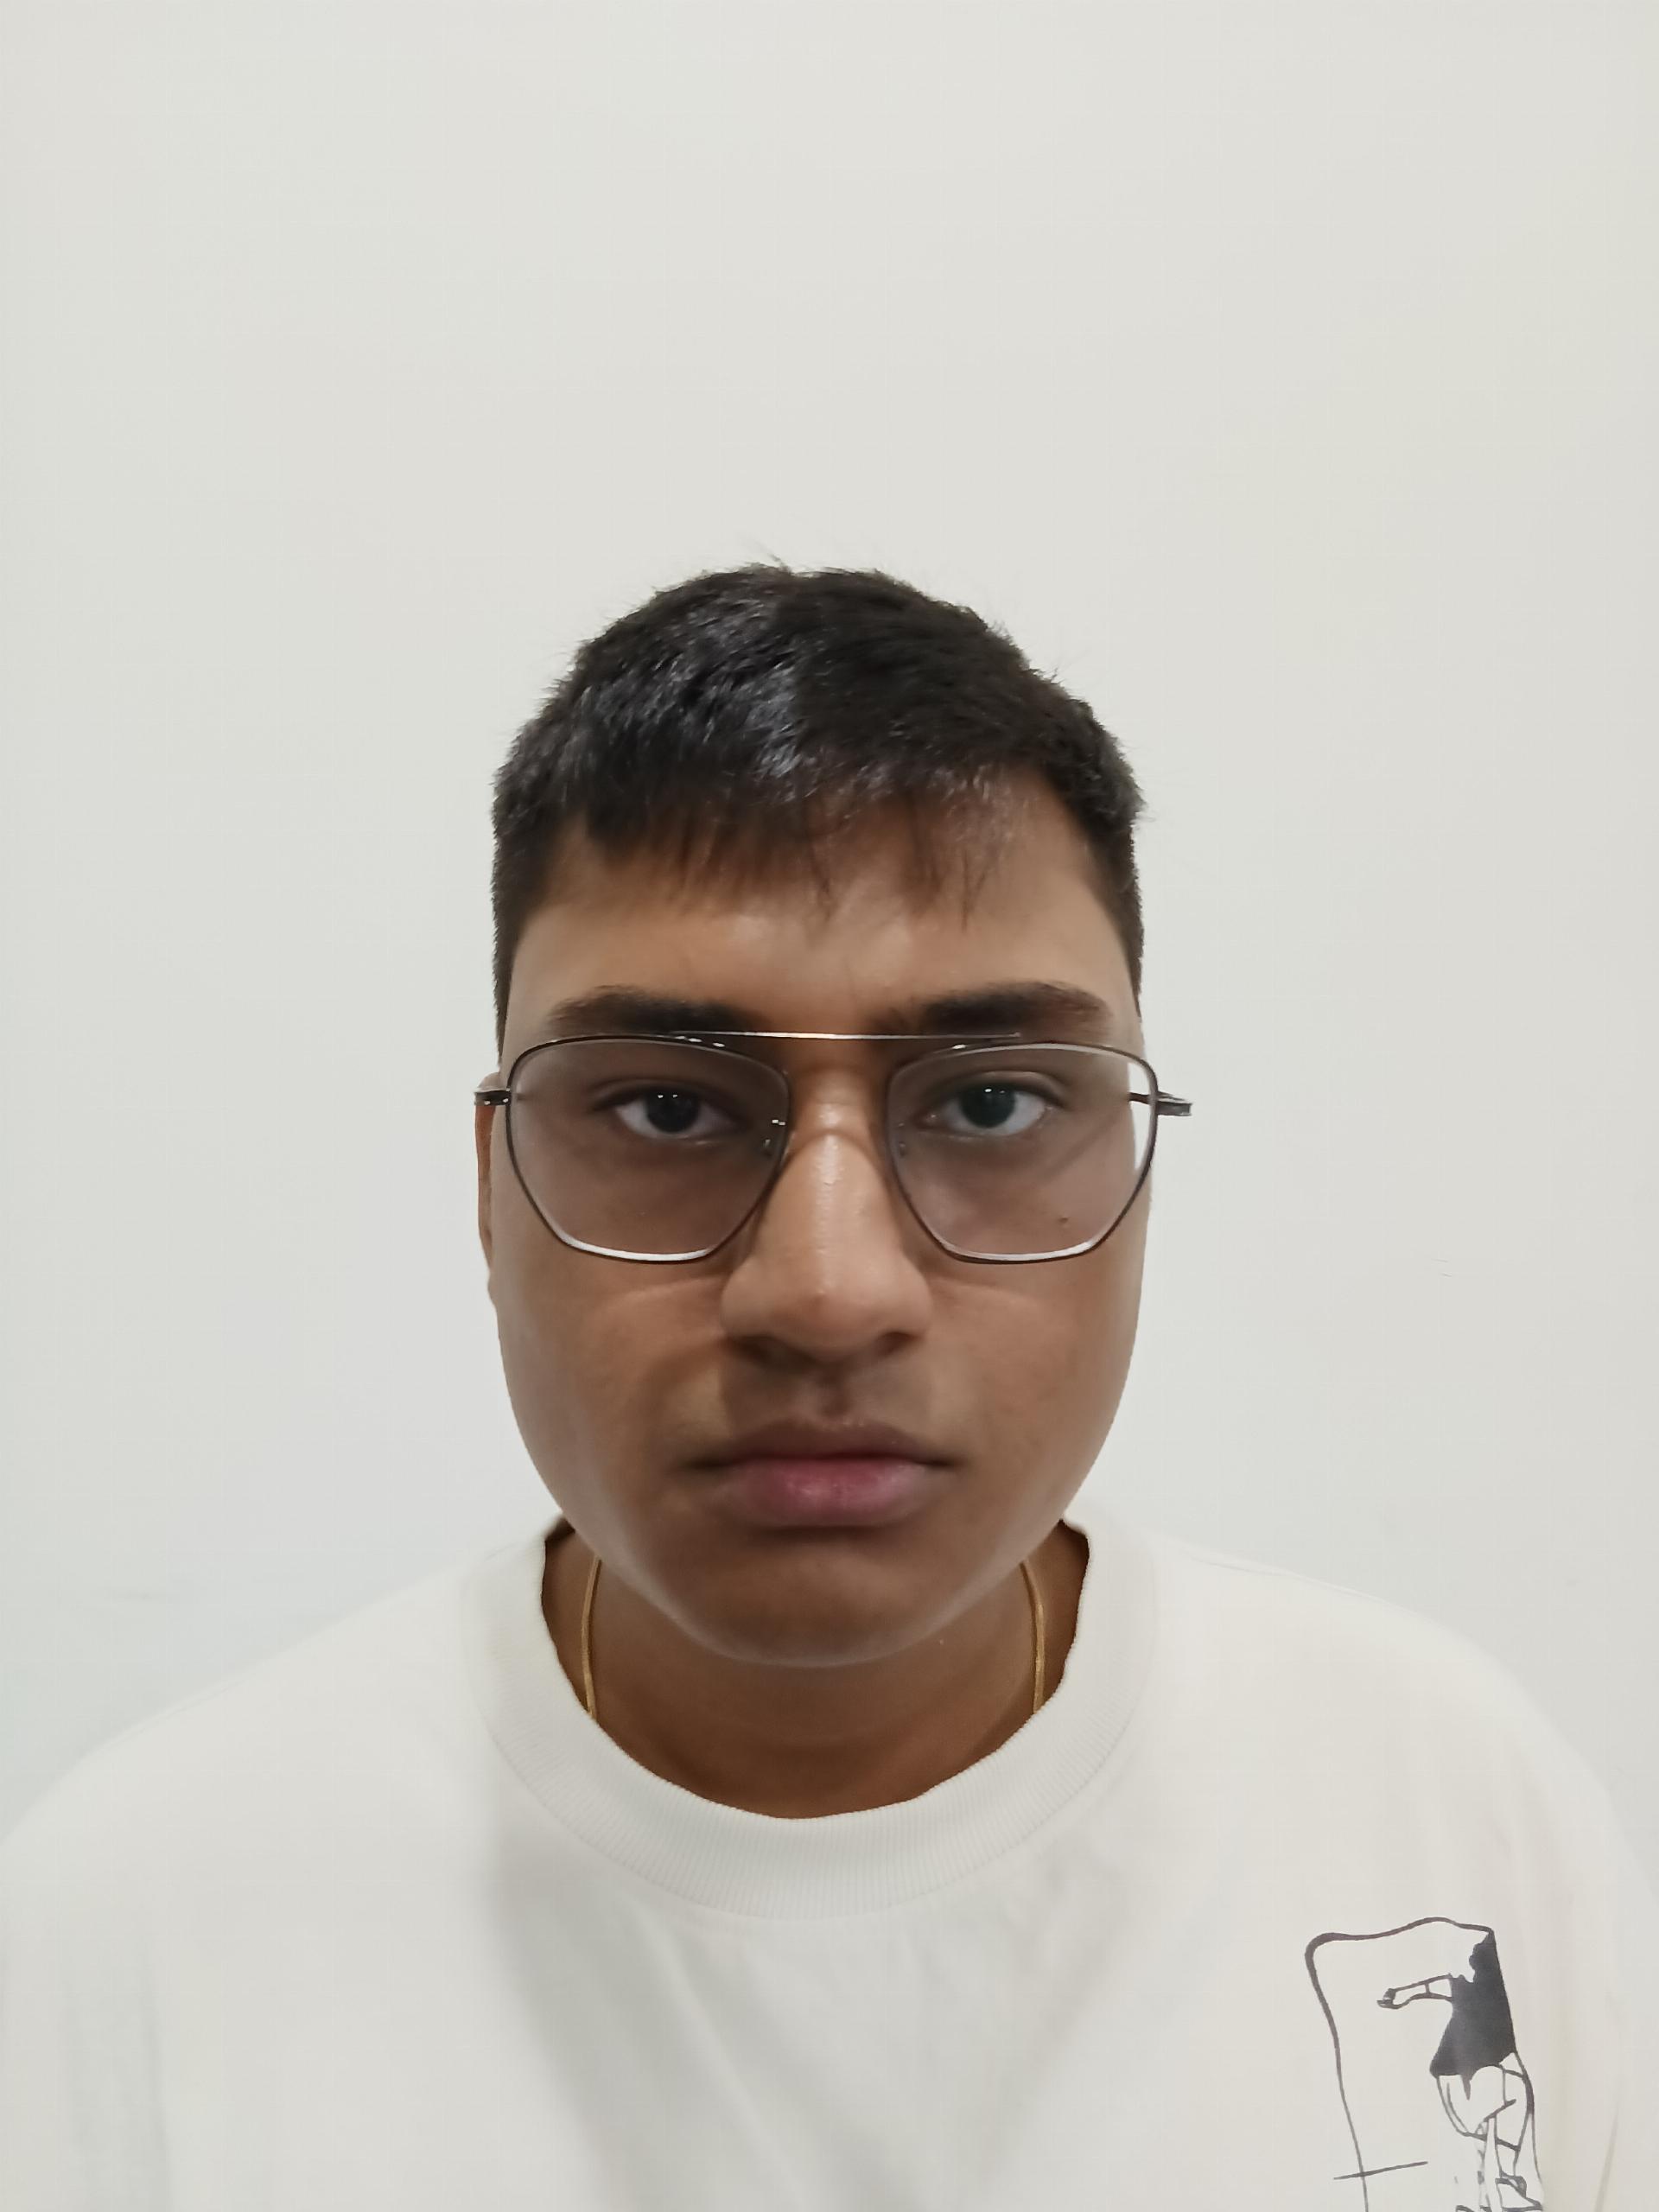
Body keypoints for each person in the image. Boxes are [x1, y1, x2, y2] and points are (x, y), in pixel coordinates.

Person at [1, 565, 1655, 2209]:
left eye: (992, 1102)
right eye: (665, 1108)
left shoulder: (1435, 1812)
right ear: (493, 1190)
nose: (828, 1290)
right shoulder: (138, 1927)